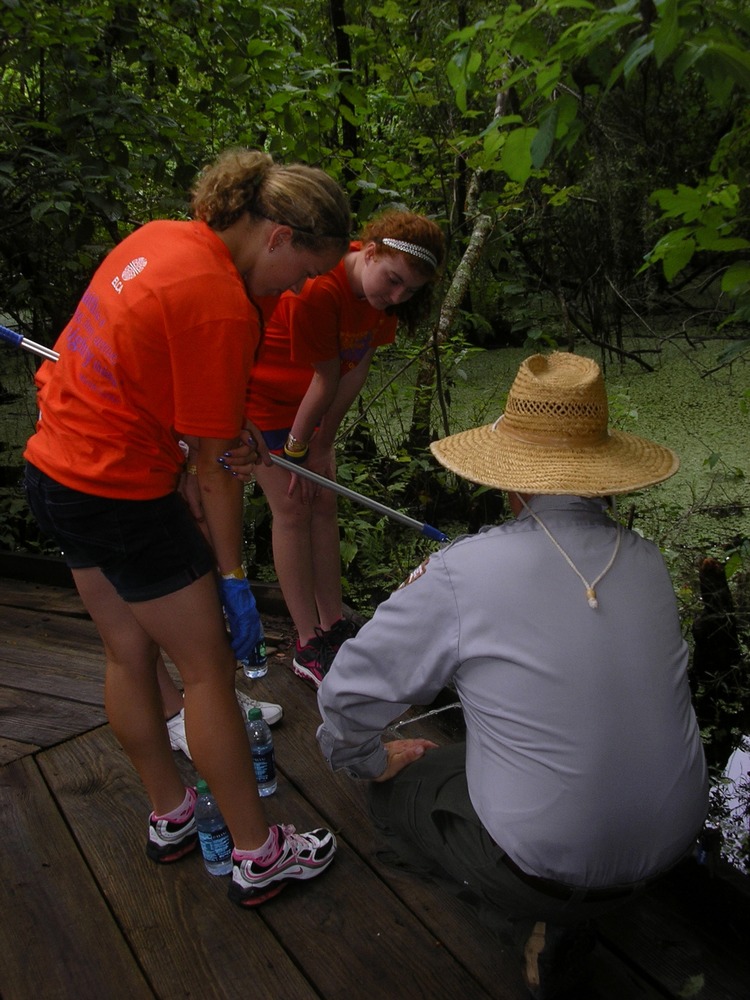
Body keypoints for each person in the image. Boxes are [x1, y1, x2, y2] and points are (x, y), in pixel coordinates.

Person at [316, 352, 709, 998]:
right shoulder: (649, 562)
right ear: (607, 477)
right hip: (671, 842)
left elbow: (345, 698)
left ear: (509, 480)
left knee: (394, 790)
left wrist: (366, 759)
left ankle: (526, 921)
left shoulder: (462, 572)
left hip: (554, 866)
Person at [24, 147, 351, 908]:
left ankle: (173, 814)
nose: (300, 289)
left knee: (128, 651)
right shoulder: (222, 304)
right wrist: (232, 578)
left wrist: (223, 430)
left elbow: (150, 373)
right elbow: (213, 473)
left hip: (55, 472)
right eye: (303, 272)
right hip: (122, 497)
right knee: (208, 674)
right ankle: (256, 852)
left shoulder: (160, 238)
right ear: (276, 236)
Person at [224, 209, 446, 688]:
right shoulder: (320, 288)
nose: (395, 297)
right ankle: (307, 641)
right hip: (266, 406)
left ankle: (335, 623)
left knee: (324, 505)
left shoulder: (378, 298)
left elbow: (356, 370)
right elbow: (327, 377)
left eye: (408, 291)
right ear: (369, 251)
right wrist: (304, 451)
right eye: (392, 281)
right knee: (292, 509)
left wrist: (323, 444)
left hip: (310, 409)